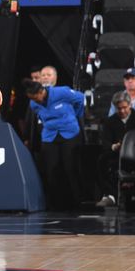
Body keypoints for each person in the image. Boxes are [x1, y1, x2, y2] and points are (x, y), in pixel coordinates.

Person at [24, 79, 86, 210]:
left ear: (42, 91)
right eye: (33, 99)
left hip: (69, 133)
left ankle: (78, 202)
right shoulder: (33, 104)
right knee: (51, 169)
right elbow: (38, 117)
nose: (36, 101)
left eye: (37, 98)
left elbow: (80, 99)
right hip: (49, 136)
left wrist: (75, 116)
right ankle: (55, 204)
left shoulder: (61, 92)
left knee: (70, 168)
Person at [96, 91, 135, 207]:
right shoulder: (110, 121)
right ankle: (110, 195)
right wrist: (114, 146)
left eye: (124, 107)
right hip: (118, 154)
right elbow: (105, 141)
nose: (122, 111)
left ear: (130, 105)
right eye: (119, 108)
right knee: (102, 160)